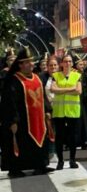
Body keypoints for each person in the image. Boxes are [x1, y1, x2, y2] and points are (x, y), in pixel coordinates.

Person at [0, 47, 51, 177]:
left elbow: (43, 96)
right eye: (28, 62)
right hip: (22, 121)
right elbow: (9, 102)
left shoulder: (37, 78)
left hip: (38, 119)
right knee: (20, 142)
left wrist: (47, 110)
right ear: (21, 65)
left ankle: (40, 164)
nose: (32, 64)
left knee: (40, 140)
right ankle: (15, 169)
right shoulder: (14, 81)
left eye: (32, 61)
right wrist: (13, 120)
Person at [50, 53, 81, 170]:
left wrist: (61, 89)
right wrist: (70, 88)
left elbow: (78, 91)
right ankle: (61, 161)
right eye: (65, 61)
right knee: (60, 137)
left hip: (73, 111)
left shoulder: (77, 75)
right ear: (61, 63)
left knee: (72, 137)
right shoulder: (56, 75)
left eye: (70, 61)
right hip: (59, 112)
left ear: (72, 63)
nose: (67, 63)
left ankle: (72, 160)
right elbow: (53, 89)